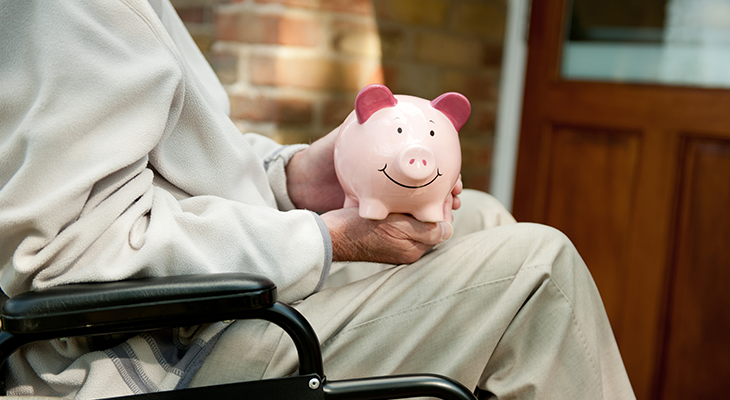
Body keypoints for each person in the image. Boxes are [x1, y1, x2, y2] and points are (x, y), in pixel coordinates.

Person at [0, 0, 636, 399]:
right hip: (153, 360)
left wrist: (299, 177)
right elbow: (63, 250)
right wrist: (329, 239)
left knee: (479, 217)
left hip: (201, 321)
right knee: (537, 273)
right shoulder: (69, 11)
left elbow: (168, 167)